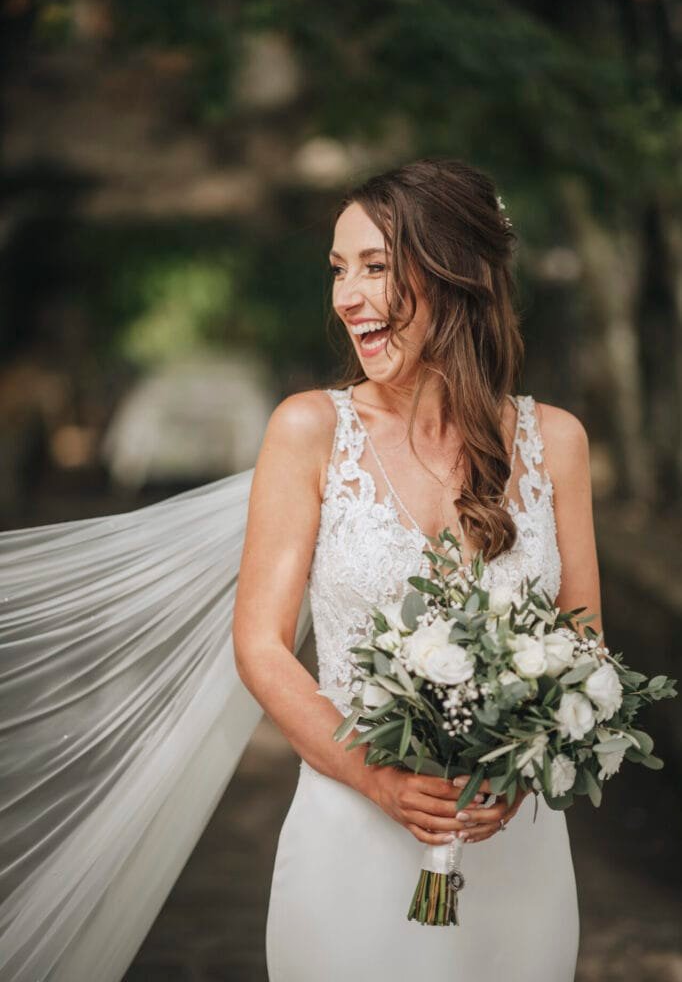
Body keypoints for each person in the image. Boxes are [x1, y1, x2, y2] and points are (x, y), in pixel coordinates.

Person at [233, 157, 601, 981]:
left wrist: (525, 765)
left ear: (455, 274)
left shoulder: (559, 443)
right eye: (338, 270)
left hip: (514, 843)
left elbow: (583, 644)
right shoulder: (307, 431)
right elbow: (259, 643)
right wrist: (380, 779)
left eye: (375, 267)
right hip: (350, 828)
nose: (345, 298)